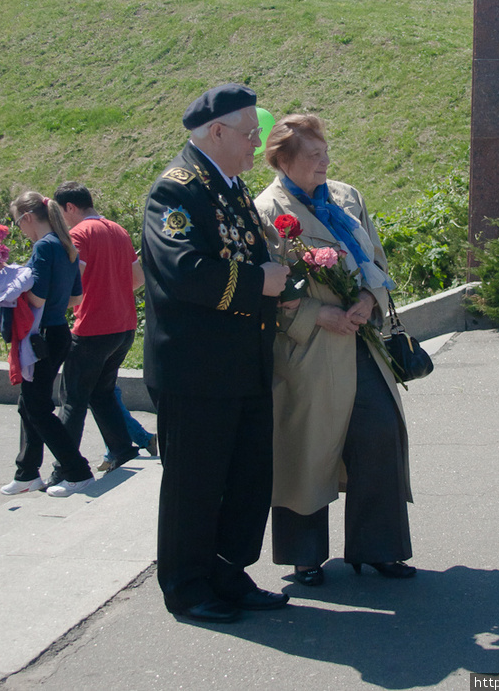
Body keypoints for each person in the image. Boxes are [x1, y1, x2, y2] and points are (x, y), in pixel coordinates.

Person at [142, 83, 290, 623]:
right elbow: (185, 272)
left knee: (247, 476)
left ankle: (228, 571)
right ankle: (186, 585)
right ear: (219, 132)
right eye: (251, 133)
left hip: (243, 362)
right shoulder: (176, 191)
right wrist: (259, 283)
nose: (258, 143)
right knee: (195, 483)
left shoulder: (228, 186)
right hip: (197, 370)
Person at [254, 114, 415, 586]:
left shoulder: (347, 198)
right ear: (282, 158)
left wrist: (368, 299)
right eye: (313, 154)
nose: (325, 161)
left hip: (361, 341)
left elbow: (376, 261)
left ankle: (378, 547)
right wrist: (314, 316)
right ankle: (304, 555)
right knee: (306, 449)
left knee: (381, 433)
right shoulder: (267, 211)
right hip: (308, 352)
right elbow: (268, 291)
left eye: (326, 151)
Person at [47, 181, 152, 485]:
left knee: (72, 400)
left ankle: (65, 468)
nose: (62, 221)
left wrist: (63, 304)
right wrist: (112, 292)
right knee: (101, 393)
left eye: (61, 213)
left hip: (92, 328)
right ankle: (121, 449)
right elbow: (138, 278)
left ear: (70, 207)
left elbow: (73, 284)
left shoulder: (79, 234)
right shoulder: (117, 230)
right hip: (124, 327)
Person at [0, 192, 94, 498]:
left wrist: (8, 286)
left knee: (37, 407)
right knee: (29, 404)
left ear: (28, 217)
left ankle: (77, 471)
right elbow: (76, 299)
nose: (20, 229)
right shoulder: (65, 244)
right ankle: (27, 472)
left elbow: (36, 297)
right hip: (57, 331)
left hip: (41, 337)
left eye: (18, 222)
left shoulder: (42, 247)